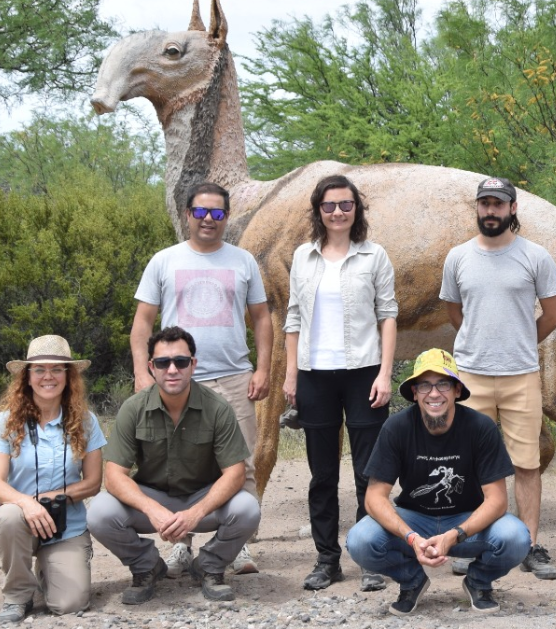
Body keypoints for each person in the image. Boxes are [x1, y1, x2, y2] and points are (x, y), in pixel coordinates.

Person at [130, 181, 273, 576]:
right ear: (187, 215)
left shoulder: (243, 261)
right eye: (201, 212)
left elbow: (262, 318)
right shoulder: (164, 261)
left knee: (241, 464)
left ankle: (236, 545)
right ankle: (181, 545)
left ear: (227, 216)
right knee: (182, 469)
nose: (209, 219)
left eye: (217, 213)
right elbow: (142, 322)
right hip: (175, 380)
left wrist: (262, 368)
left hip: (233, 376)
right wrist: (142, 372)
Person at [440, 176, 556, 579]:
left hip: (520, 375)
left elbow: (554, 314)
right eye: (485, 203)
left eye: (498, 203)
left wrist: (519, 341)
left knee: (526, 464)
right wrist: (479, 340)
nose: (490, 211)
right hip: (470, 375)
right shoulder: (458, 257)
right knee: (467, 464)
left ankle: (528, 544)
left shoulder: (535, 256)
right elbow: (454, 312)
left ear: (513, 208)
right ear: (477, 208)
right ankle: (468, 543)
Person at [346, 349, 531, 616]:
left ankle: (478, 582)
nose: (434, 393)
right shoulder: (396, 428)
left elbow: (498, 500)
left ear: (457, 390)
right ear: (414, 393)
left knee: (516, 537)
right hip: (415, 520)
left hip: (467, 520)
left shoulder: (481, 427)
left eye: (443, 384)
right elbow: (374, 497)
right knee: (360, 540)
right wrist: (411, 537)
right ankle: (412, 580)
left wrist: (455, 534)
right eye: (425, 385)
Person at [283, 174, 398, 591]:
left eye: (346, 205)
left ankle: (370, 557)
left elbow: (388, 315)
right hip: (315, 376)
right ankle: (327, 560)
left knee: (369, 473)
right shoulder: (303, 256)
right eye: (329, 205)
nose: (337, 212)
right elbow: (293, 317)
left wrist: (385, 374)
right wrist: (291, 374)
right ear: (318, 210)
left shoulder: (374, 255)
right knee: (322, 476)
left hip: (364, 373)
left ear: (356, 209)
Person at [88, 326, 260, 604]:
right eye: (162, 362)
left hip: (203, 498)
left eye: (180, 361)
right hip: (152, 498)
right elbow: (114, 475)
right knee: (99, 512)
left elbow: (235, 473)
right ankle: (146, 566)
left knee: (247, 508)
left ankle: (210, 566)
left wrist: (195, 513)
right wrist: (152, 509)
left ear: (193, 364)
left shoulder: (218, 408)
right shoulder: (133, 408)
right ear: (151, 367)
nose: (172, 370)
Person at [0, 336, 106, 622]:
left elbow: (93, 482)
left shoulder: (87, 421)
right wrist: (28, 504)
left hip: (66, 526)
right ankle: (18, 595)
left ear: (68, 376)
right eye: (39, 370)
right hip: (21, 522)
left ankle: (47, 570)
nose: (48, 376)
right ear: (27, 377)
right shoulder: (6, 422)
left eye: (57, 369)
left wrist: (48, 498)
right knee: (8, 516)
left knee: (69, 604)